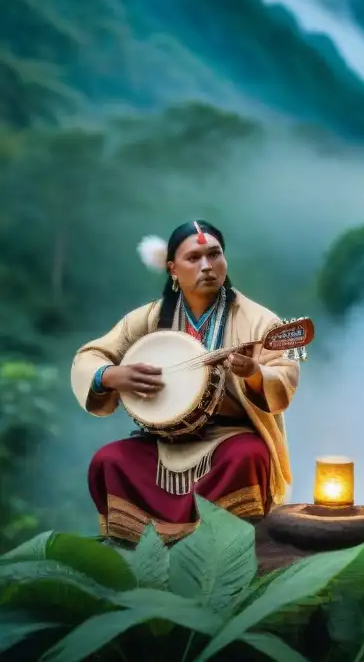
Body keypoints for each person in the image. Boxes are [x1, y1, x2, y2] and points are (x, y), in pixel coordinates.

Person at [70, 220, 299, 544]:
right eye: (194, 258)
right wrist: (109, 375)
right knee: (110, 461)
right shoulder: (149, 318)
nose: (207, 266)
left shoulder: (261, 321)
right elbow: (90, 355)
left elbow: (285, 375)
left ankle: (224, 550)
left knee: (249, 457)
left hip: (228, 439)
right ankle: (135, 549)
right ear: (173, 269)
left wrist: (253, 373)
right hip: (161, 443)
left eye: (215, 254)